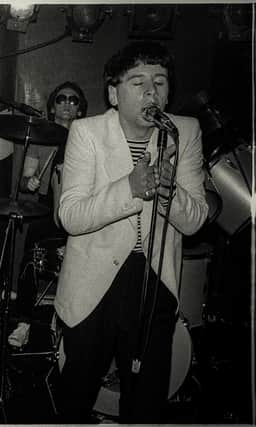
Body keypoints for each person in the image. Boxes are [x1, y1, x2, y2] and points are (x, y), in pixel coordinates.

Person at [54, 41, 208, 423]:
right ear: (113, 93)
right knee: (76, 394)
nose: (151, 91)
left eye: (159, 81)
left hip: (154, 282)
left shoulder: (184, 131)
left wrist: (171, 193)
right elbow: (70, 216)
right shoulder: (86, 132)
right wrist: (130, 188)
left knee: (145, 401)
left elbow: (195, 221)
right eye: (137, 82)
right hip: (94, 283)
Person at [8, 82, 88, 348]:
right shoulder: (42, 139)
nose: (67, 103)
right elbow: (25, 180)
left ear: (79, 110)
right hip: (46, 207)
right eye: (62, 99)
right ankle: (24, 323)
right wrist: (29, 181)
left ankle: (70, 324)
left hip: (80, 208)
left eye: (74, 100)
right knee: (30, 259)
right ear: (52, 107)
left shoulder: (88, 140)